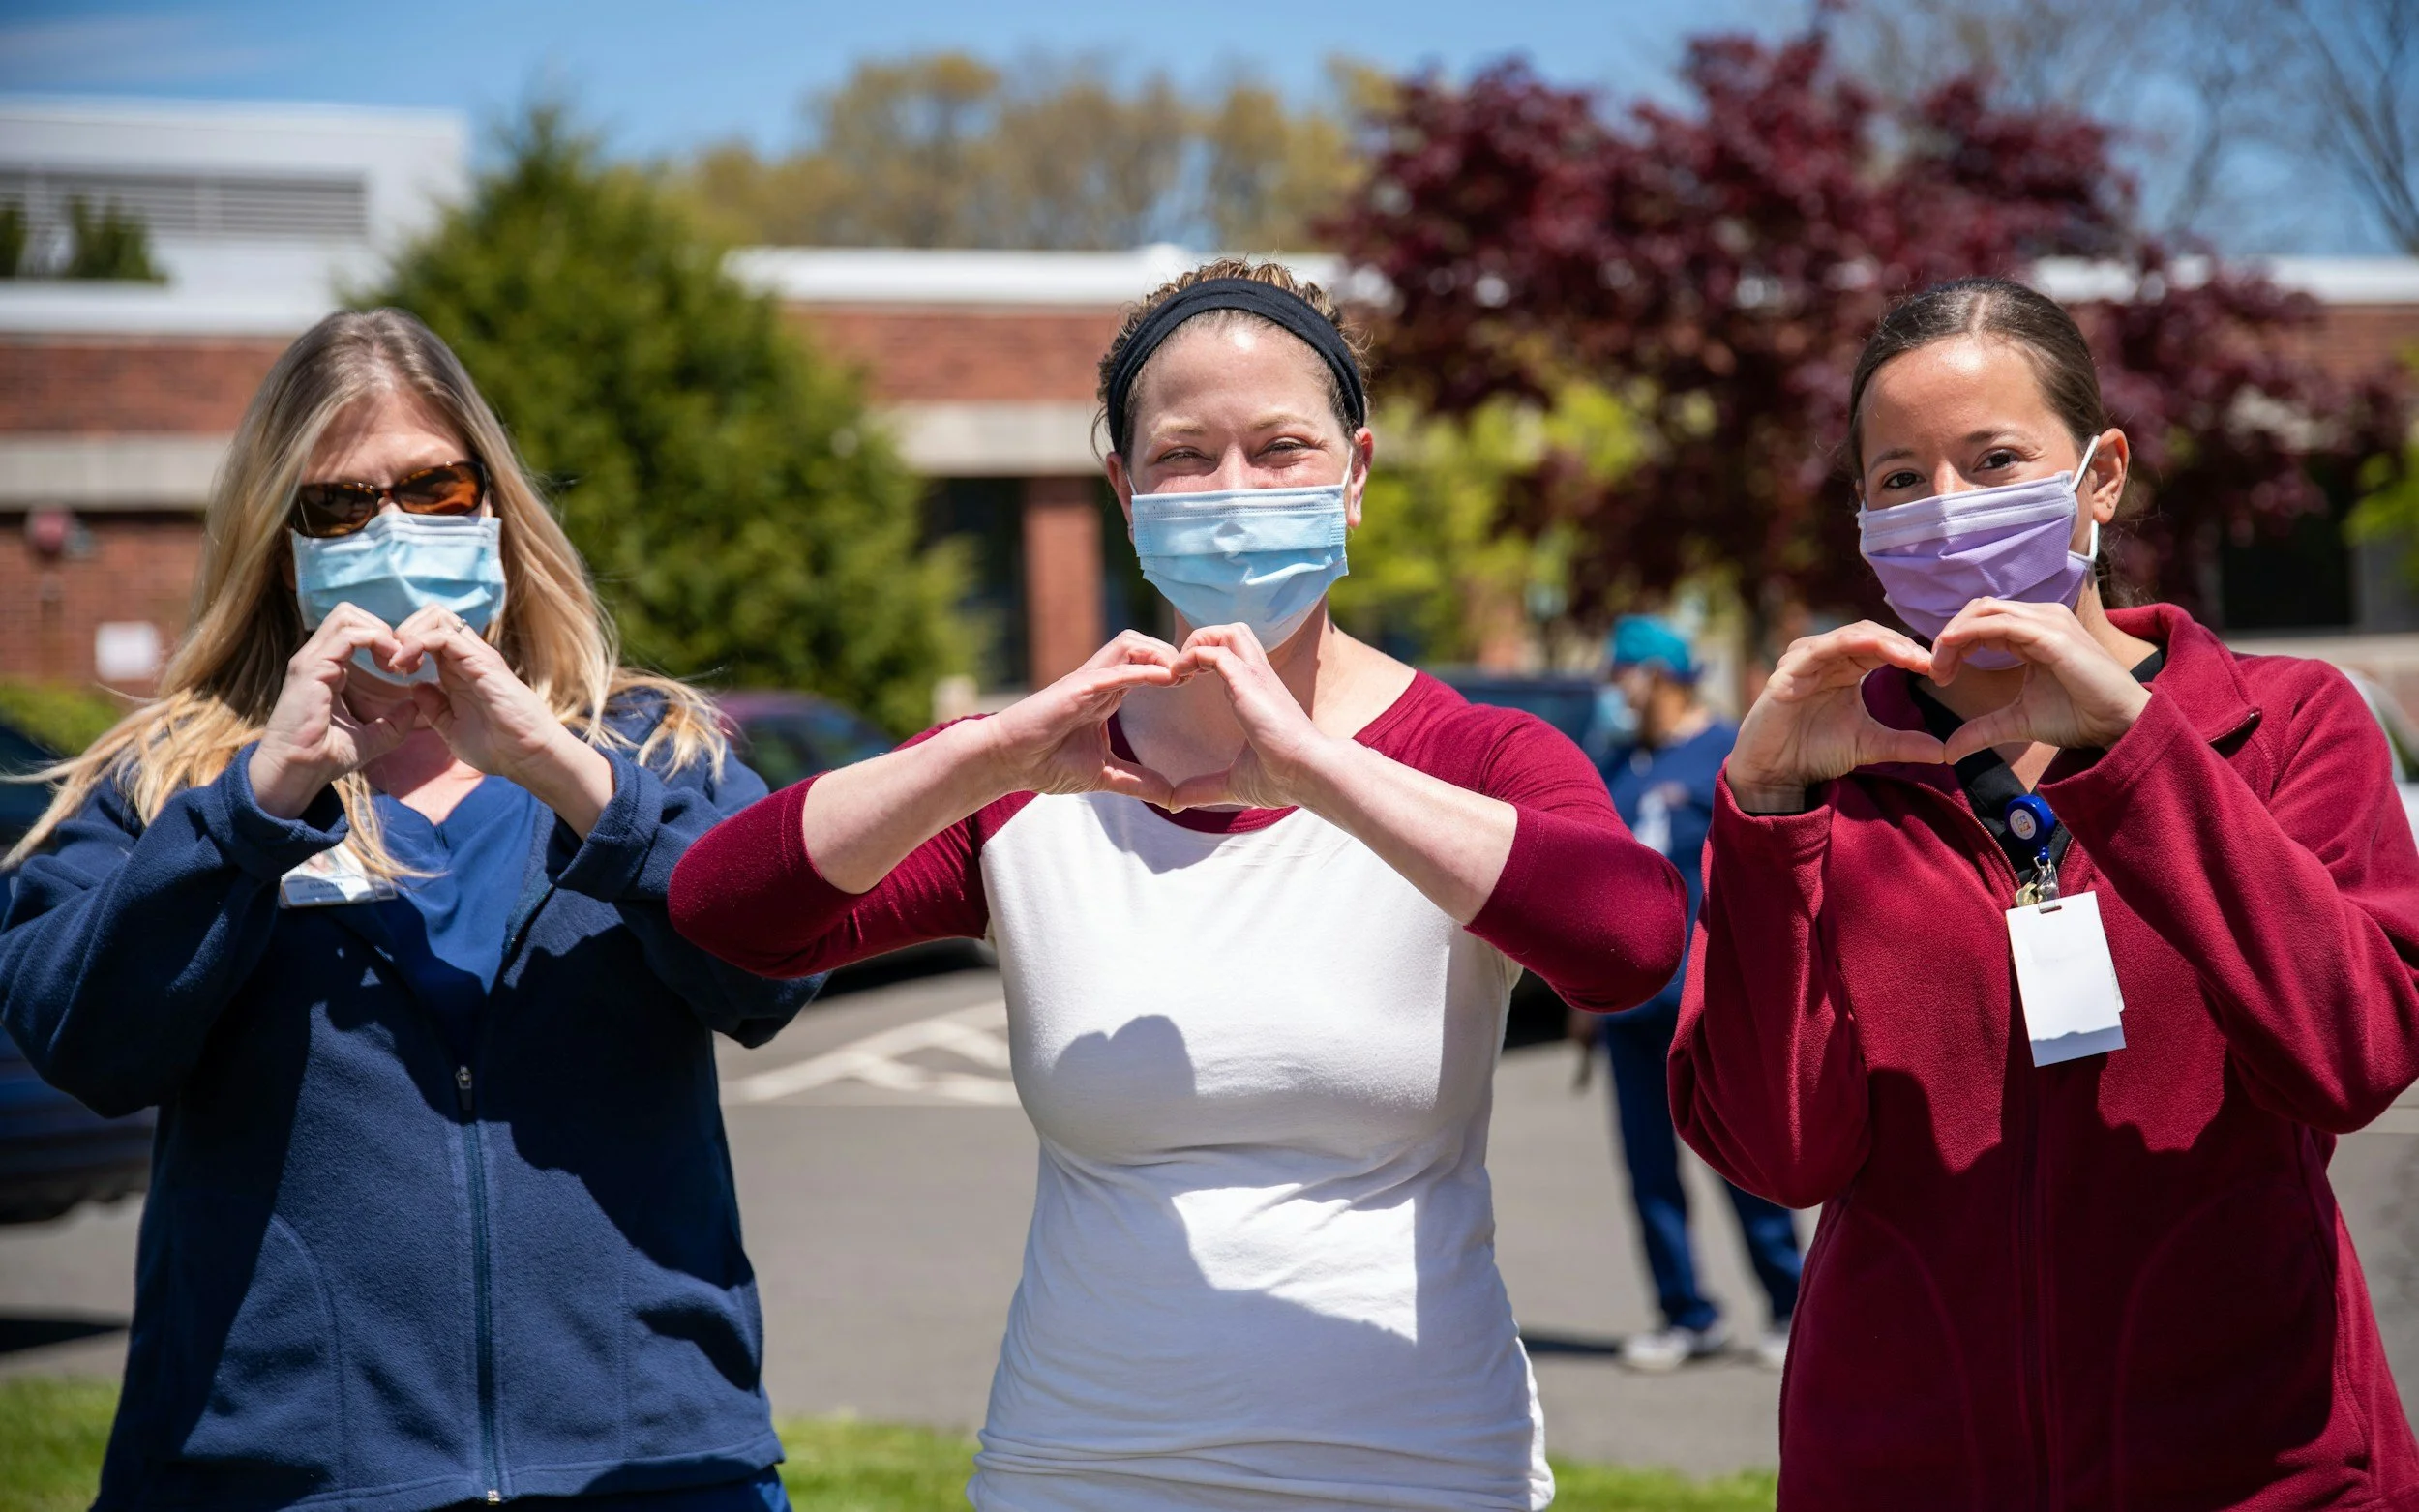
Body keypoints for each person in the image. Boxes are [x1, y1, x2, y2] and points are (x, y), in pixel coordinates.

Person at [668, 259, 1687, 1511]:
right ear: (1125, 489)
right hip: (1079, 1464)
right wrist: (984, 751)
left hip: (1417, 1465)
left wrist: (1318, 769)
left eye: (1280, 448)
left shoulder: (1475, 756)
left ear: (1355, 476)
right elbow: (727, 912)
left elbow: (1631, 939)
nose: (1235, 491)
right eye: (1187, 456)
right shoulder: (1038, 777)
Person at [0, 310, 818, 1512]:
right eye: (338, 505)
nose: (392, 529)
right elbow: (86, 1045)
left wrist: (558, 765)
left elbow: (771, 976)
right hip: (275, 1476)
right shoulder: (168, 780)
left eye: (435, 488)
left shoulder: (651, 749)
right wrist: (260, 799)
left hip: (650, 1469)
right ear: (280, 543)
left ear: (494, 505)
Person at [1672, 275, 2419, 1506]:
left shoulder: (2283, 726)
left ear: (2100, 476)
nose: (1946, 511)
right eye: (1901, 479)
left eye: (1993, 458)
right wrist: (1765, 819)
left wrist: (2136, 750)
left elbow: (2353, 1052)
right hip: (1897, 1470)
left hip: (2261, 1470)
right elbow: (1779, 1153)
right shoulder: (1824, 768)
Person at [1579, 615, 1799, 1373]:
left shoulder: (1727, 752)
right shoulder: (1618, 763)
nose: (1615, 691)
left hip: (1709, 1003)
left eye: (1623, 675)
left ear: (1658, 676)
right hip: (1628, 1008)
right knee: (1647, 1169)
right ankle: (1685, 1312)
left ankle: (1788, 1303)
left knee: (1740, 1159)